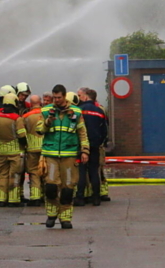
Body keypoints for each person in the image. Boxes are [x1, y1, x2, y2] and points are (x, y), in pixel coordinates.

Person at [38, 85, 89, 229]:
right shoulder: (46, 111)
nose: (56, 100)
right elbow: (39, 129)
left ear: (64, 96)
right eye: (54, 98)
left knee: (68, 188)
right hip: (50, 154)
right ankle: (51, 215)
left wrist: (85, 150)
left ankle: (65, 218)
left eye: (59, 98)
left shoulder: (76, 112)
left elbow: (82, 133)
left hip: (69, 155)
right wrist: (47, 122)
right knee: (51, 187)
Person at [0, 93, 27, 207]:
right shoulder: (17, 119)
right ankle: (13, 199)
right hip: (15, 151)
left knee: (2, 174)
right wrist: (25, 145)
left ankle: (1, 199)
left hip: (1, 151)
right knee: (14, 175)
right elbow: (21, 136)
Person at [74, 87, 108, 206]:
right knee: (94, 171)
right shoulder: (100, 111)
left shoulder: (78, 110)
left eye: (79, 95)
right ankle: (96, 198)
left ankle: (80, 197)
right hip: (95, 145)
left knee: (81, 172)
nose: (78, 98)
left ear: (85, 96)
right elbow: (105, 130)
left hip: (82, 146)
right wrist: (99, 142)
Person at [21, 95, 45, 206]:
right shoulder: (46, 113)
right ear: (40, 102)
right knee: (46, 172)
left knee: (34, 172)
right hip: (46, 147)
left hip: (31, 148)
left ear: (30, 104)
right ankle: (46, 195)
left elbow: (21, 132)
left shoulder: (25, 116)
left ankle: (35, 197)